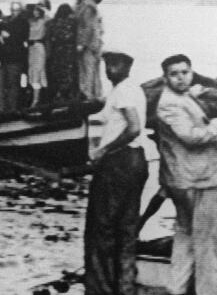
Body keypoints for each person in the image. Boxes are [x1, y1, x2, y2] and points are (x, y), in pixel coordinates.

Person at [155, 54, 217, 295]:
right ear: (165, 78)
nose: (180, 78)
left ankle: (176, 289)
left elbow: (186, 106)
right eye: (174, 74)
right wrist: (215, 126)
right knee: (209, 243)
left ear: (191, 72)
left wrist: (194, 95)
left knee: (185, 238)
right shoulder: (170, 103)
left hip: (183, 179)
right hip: (199, 180)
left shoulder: (179, 96)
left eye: (185, 72)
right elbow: (190, 136)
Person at [84, 51, 148, 295]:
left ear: (128, 66)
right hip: (136, 161)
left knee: (103, 228)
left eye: (115, 64)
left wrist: (104, 150)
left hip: (119, 162)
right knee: (127, 229)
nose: (110, 68)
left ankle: (101, 289)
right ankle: (124, 287)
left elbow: (134, 128)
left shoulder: (123, 91)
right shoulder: (132, 90)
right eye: (107, 64)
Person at [45, 3, 80, 102]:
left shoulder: (51, 23)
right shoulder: (73, 23)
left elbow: (48, 38)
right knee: (69, 74)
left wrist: (48, 53)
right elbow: (77, 37)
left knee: (57, 74)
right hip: (70, 52)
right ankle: (69, 96)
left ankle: (58, 95)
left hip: (56, 52)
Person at [75, 0, 105, 99]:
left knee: (87, 71)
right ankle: (95, 95)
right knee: (93, 72)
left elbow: (88, 26)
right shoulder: (91, 6)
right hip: (95, 44)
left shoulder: (88, 7)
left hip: (88, 45)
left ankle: (89, 96)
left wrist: (82, 44)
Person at [26, 4, 49, 106]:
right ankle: (37, 98)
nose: (35, 12)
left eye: (37, 10)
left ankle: (37, 99)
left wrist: (43, 8)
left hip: (38, 47)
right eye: (34, 10)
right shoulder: (31, 21)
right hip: (31, 48)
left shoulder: (44, 20)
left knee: (38, 72)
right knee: (33, 72)